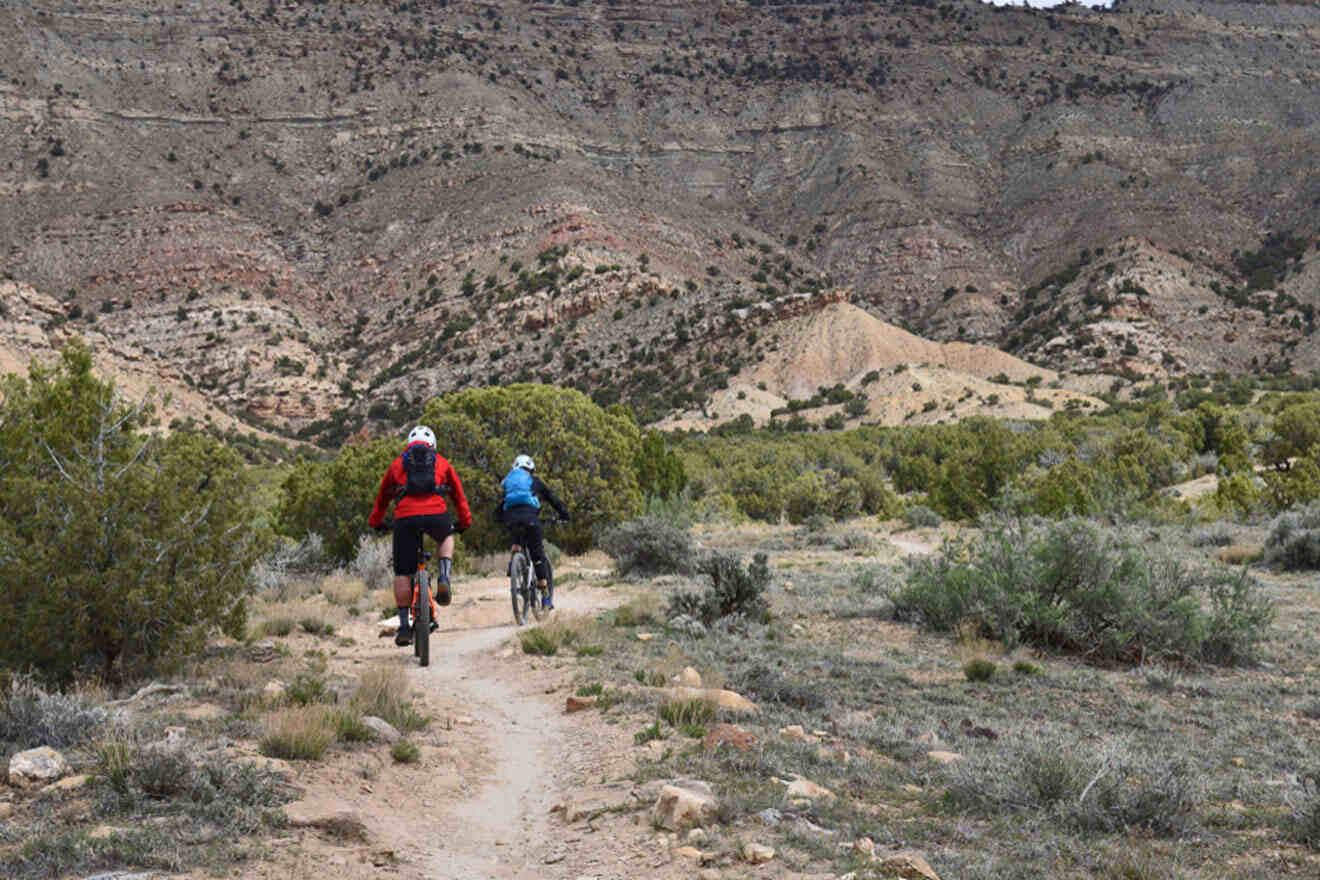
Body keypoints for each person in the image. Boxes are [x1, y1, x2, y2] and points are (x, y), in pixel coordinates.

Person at [368, 425, 472, 646]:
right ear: (432, 445)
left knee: (403, 572)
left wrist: (376, 522)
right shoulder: (442, 462)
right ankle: (444, 576)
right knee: (446, 537)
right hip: (436, 514)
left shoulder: (397, 464)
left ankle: (404, 626)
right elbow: (458, 495)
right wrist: (465, 521)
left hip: (405, 518)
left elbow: (382, 498)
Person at [496, 454, 569, 609]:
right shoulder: (534, 481)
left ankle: (514, 560)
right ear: (531, 470)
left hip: (511, 519)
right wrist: (564, 514)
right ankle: (545, 596)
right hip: (530, 518)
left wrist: (500, 520)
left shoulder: (509, 482)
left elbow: (502, 505)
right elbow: (552, 498)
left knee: (517, 536)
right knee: (537, 555)